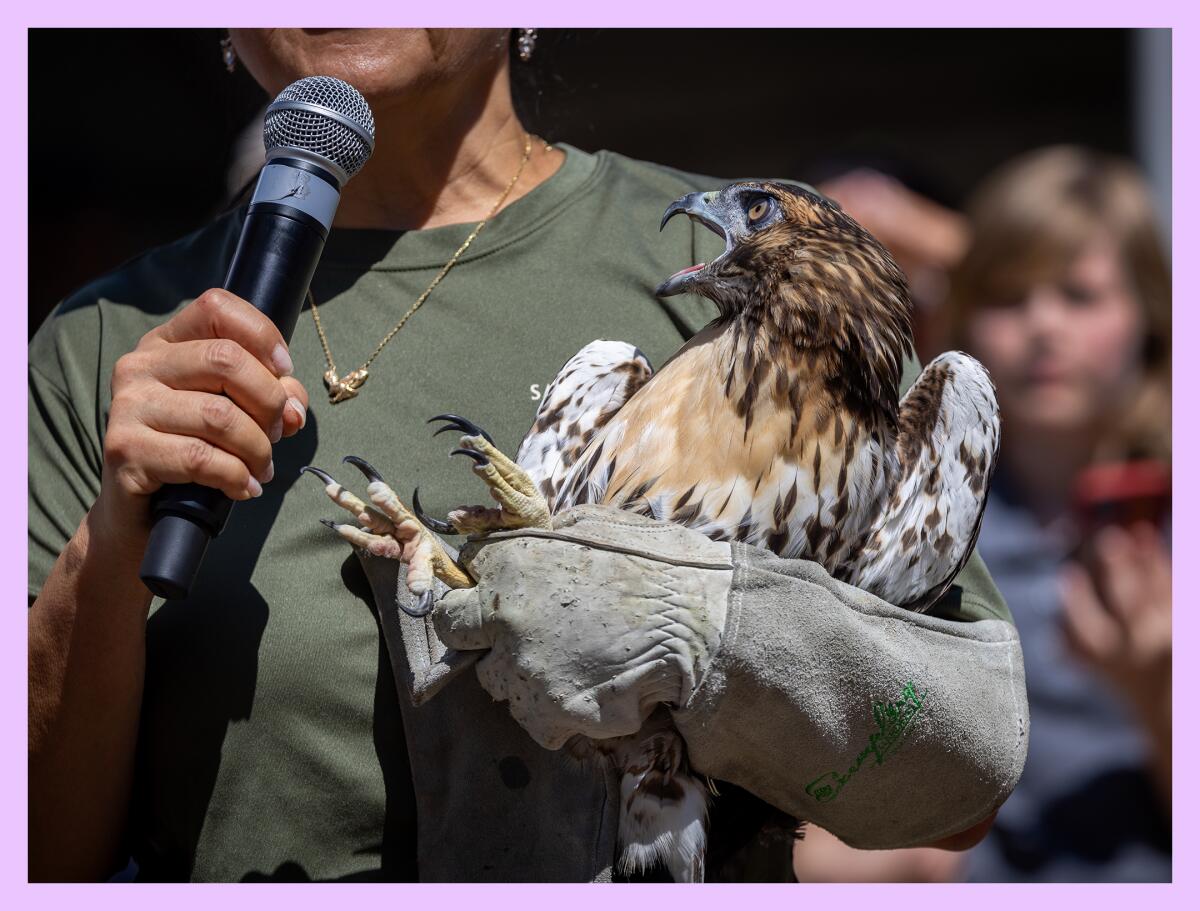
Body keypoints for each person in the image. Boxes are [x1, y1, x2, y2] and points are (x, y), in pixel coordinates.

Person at [28, 28, 1026, 883]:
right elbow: (36, 856)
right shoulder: (106, 338)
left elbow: (952, 785)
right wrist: (111, 544)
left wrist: (728, 639)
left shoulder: (774, 264)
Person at [795, 146, 1171, 883]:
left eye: (1079, 295)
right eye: (1008, 297)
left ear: (1150, 315)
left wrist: (1159, 694)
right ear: (961, 317)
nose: (1042, 327)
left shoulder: (1167, 521)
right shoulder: (915, 518)